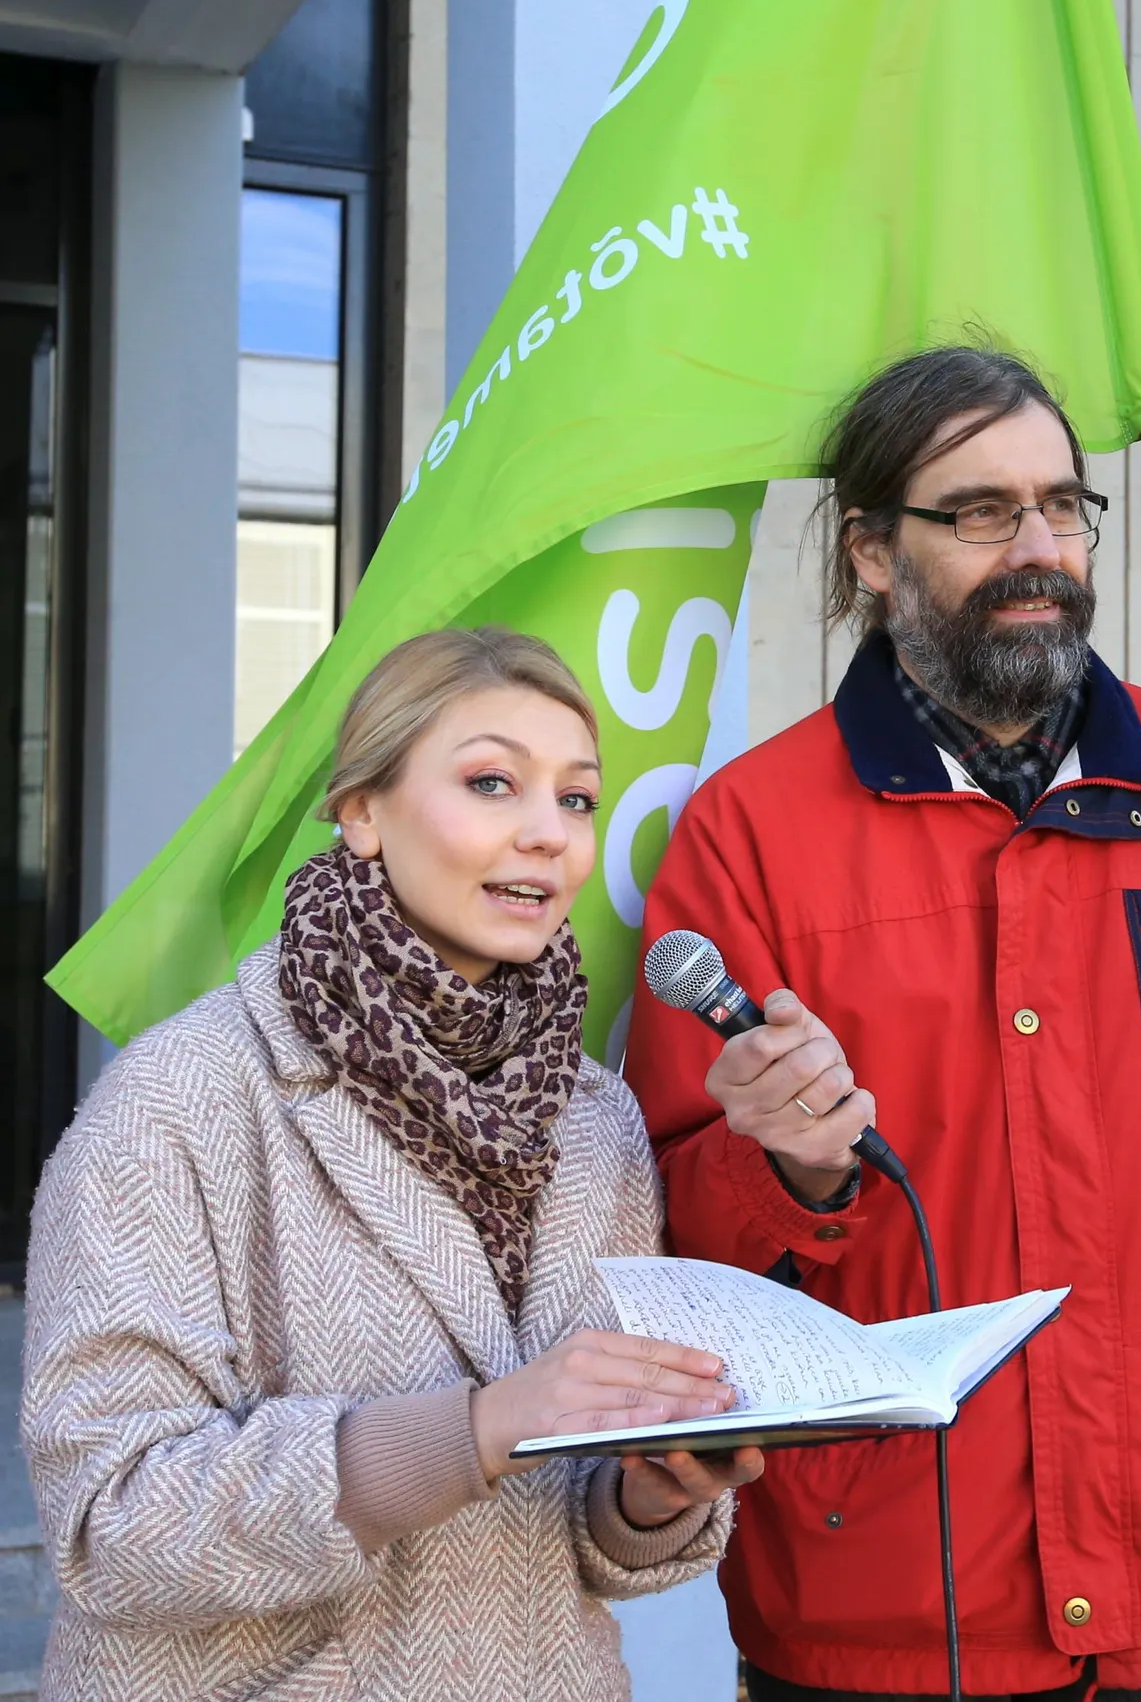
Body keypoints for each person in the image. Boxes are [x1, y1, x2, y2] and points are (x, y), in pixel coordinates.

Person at [624, 348, 1141, 1702]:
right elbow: (670, 1204)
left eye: (1062, 503)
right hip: (885, 1579)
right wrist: (788, 1165)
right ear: (872, 549)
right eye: (983, 510)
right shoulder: (751, 831)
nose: (1039, 546)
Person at [22, 626, 761, 1702]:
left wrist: (649, 1493)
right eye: (492, 782)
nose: (546, 834)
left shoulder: (593, 1117)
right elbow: (109, 1518)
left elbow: (583, 1544)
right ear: (360, 811)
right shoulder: (178, 1100)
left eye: (576, 799)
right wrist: (469, 1432)